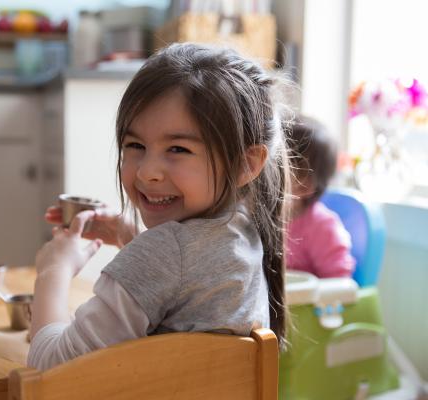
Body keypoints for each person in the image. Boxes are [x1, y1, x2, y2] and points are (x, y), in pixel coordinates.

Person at [28, 43, 291, 370]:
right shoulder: (242, 229)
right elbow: (185, 275)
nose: (146, 172)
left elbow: (52, 369)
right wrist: (130, 235)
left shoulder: (164, 253)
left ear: (244, 164)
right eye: (135, 145)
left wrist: (53, 271)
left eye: (178, 149)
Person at [285, 116, 355, 278]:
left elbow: (340, 286)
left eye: (277, 166)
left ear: (304, 186)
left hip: (307, 303)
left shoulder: (321, 226)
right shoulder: (259, 215)